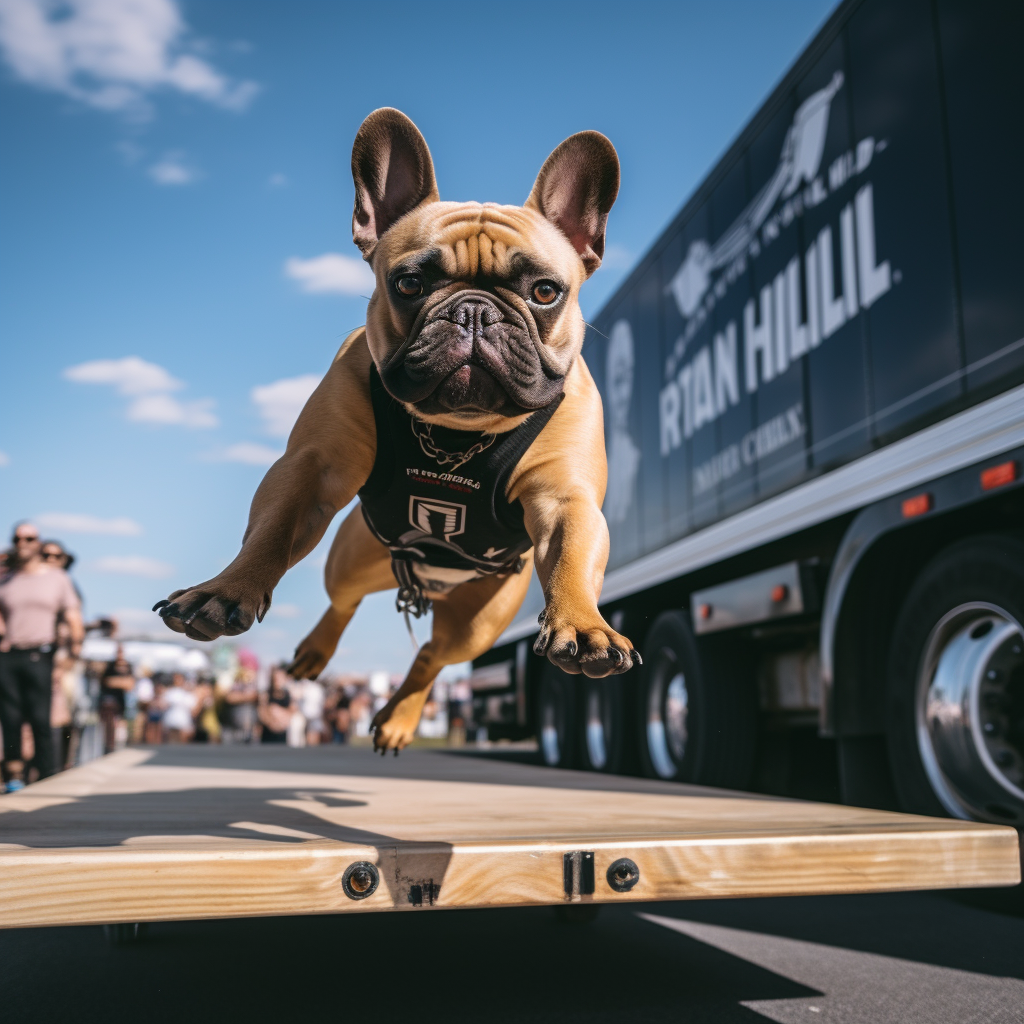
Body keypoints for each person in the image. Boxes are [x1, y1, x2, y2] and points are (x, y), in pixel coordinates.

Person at [0, 523, 84, 791]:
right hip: (9, 655)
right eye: (17, 538)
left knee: (40, 719)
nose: (22, 542)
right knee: (10, 719)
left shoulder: (57, 578)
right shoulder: (7, 579)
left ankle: (47, 777)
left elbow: (74, 619)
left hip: (42, 653)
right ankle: (14, 776)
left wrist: (72, 656)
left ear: (39, 542)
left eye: (29, 537)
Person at [99, 647, 134, 754]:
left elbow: (130, 684)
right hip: (110, 701)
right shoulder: (110, 666)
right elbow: (106, 682)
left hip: (122, 701)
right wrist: (122, 682)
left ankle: (116, 747)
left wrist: (117, 682)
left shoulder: (128, 666)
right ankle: (109, 746)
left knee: (120, 725)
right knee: (109, 725)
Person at [258, 667, 293, 744]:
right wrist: (273, 725)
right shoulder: (265, 695)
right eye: (275, 679)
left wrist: (277, 712)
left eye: (280, 678)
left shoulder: (288, 695)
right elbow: (262, 715)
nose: (277, 681)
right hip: (267, 736)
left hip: (282, 736)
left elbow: (291, 714)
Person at [161, 673, 196, 743]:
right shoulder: (169, 692)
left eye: (179, 679)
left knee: (183, 742)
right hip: (171, 721)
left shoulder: (187, 693)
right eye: (176, 679)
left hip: (183, 721)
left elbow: (193, 708)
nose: (177, 681)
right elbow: (163, 705)